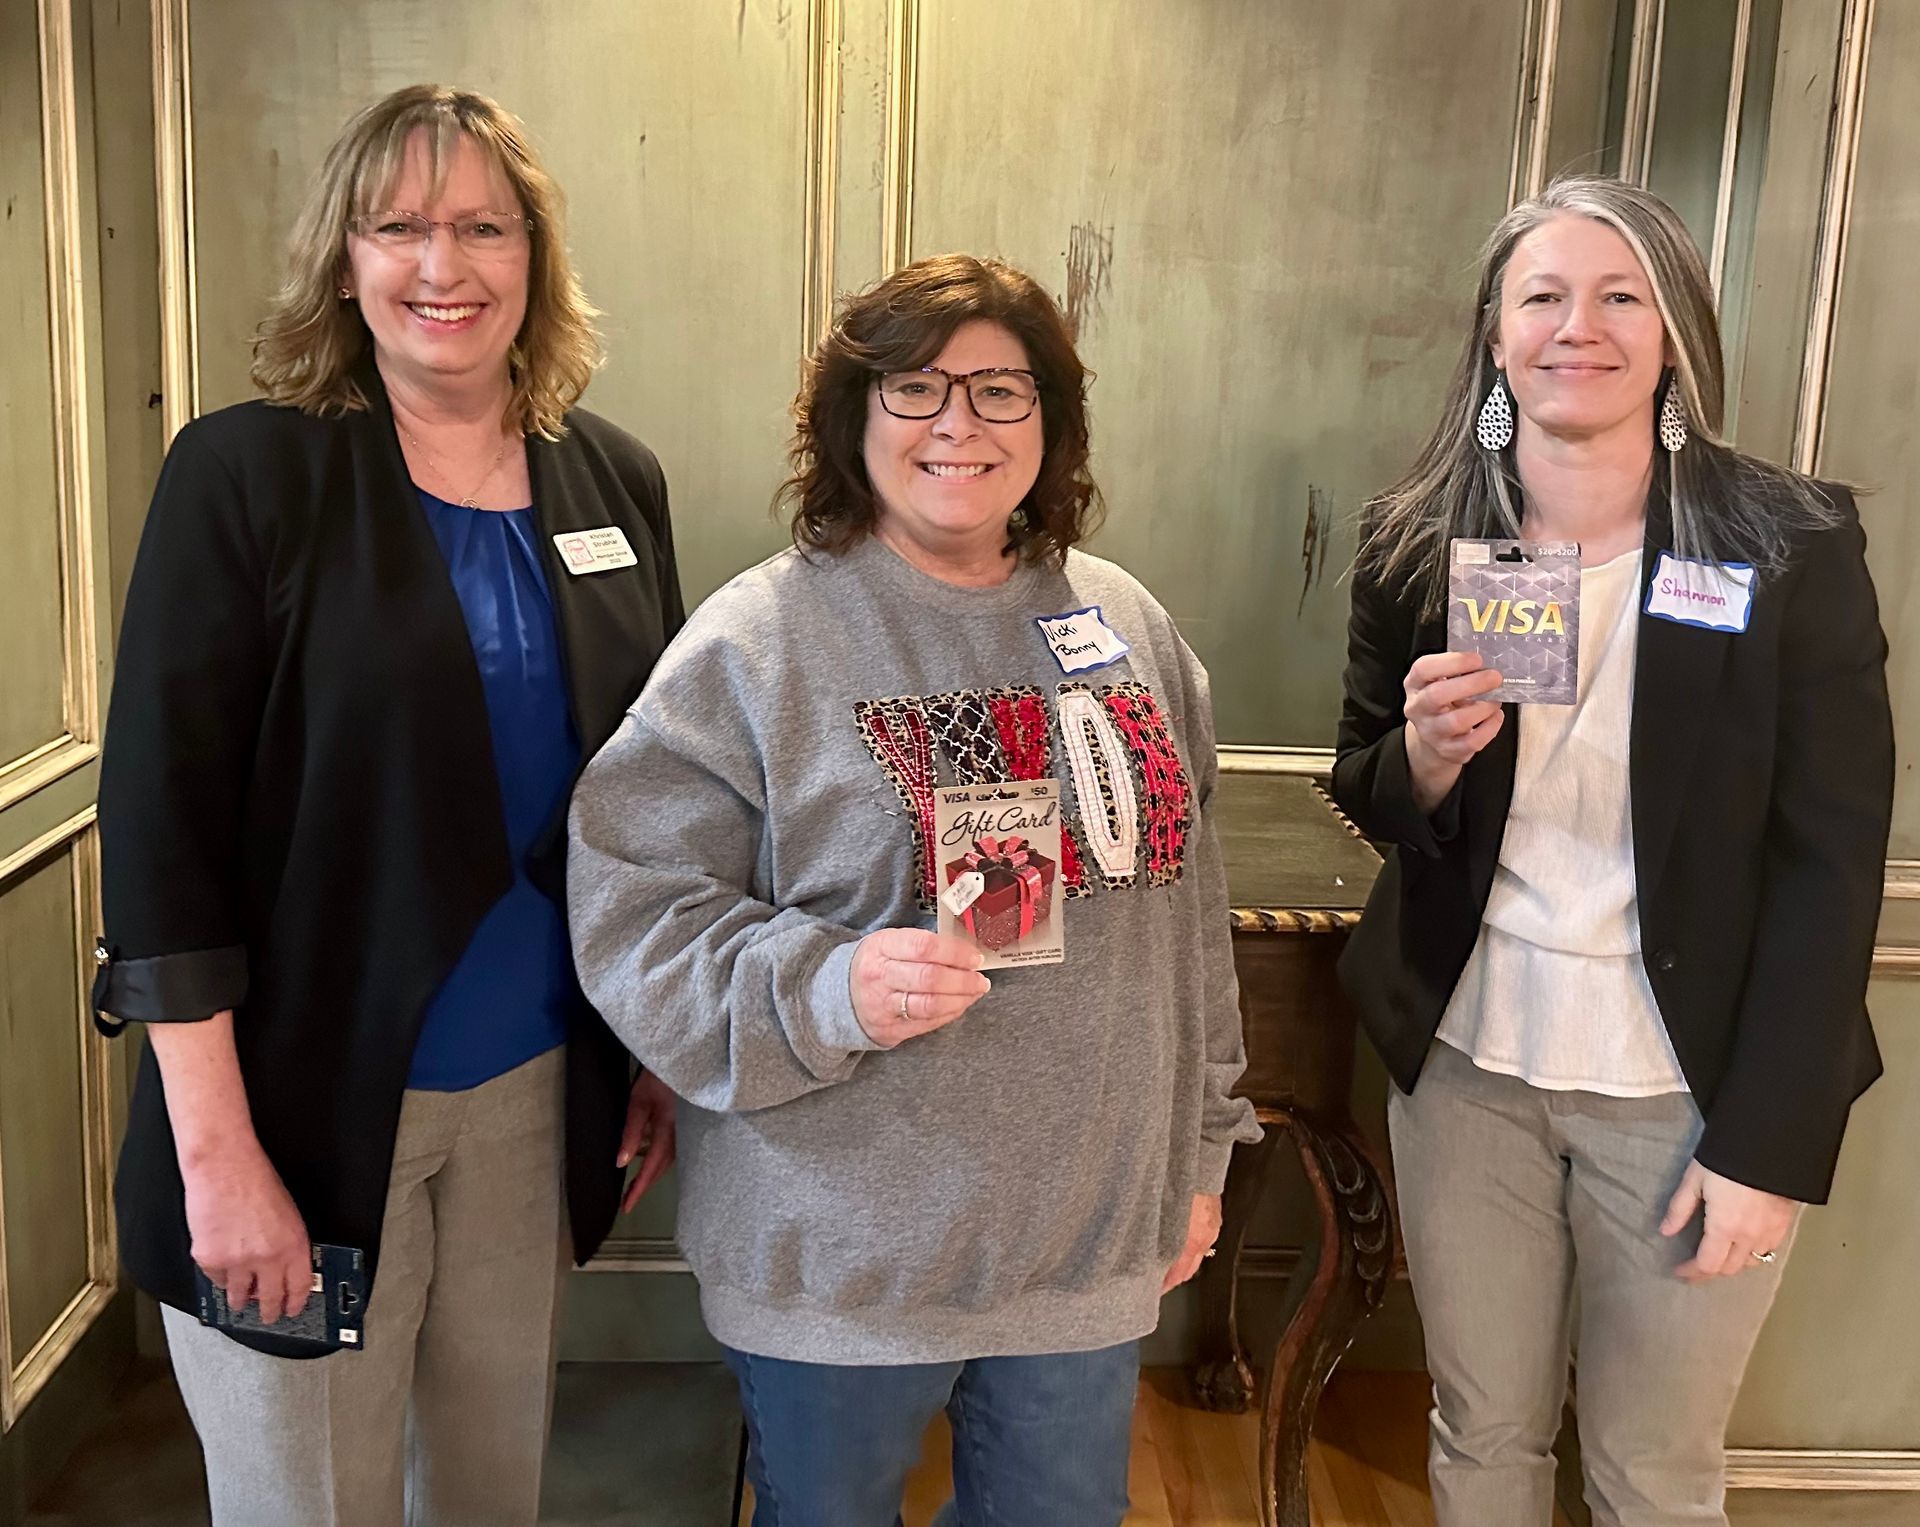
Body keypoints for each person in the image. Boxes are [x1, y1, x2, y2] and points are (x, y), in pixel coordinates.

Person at [567, 253, 1260, 1527]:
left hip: (1084, 1244)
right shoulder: (756, 643)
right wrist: (829, 985)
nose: (959, 424)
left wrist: (1199, 1150)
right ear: (852, 418)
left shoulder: (1126, 629)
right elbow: (635, 911)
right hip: (841, 1259)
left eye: (1002, 390)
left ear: (1051, 423)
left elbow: (1184, 921)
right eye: (915, 388)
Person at [92, 84, 682, 1526]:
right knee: (312, 1504)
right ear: (342, 257)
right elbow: (162, 840)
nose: (443, 265)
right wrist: (218, 1157)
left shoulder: (613, 477)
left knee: (487, 1493)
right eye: (400, 225)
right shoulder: (245, 474)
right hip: (297, 1102)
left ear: (533, 258)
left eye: (483, 226)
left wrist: (653, 1044)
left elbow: (655, 799)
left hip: (536, 1093)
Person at [1331, 174, 1893, 1526]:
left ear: (1675, 330)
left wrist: (1767, 1141)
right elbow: (1365, 781)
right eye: (1542, 295)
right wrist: (1424, 761)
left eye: (1618, 293)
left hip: (1682, 1086)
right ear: (1494, 333)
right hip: (1468, 1068)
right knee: (1483, 1431)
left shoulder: (1786, 545)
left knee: (1652, 1469)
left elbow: (1833, 862)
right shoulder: (1417, 540)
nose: (1576, 325)